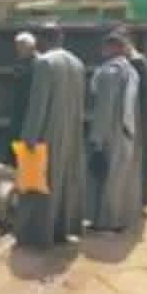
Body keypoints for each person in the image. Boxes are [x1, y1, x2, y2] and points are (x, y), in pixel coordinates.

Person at [17, 25, 87, 247]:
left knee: (37, 185)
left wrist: (29, 138)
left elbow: (38, 105)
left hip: (47, 132)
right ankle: (63, 231)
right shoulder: (78, 63)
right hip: (72, 132)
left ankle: (37, 236)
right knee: (66, 181)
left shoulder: (45, 63)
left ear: (40, 41)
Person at [87, 33, 143, 232]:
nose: (102, 51)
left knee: (106, 177)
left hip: (110, 131)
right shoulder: (131, 71)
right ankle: (120, 219)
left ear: (113, 48)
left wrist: (97, 139)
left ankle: (106, 222)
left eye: (105, 47)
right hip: (127, 129)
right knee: (121, 177)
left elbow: (104, 107)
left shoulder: (110, 72)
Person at [115, 26, 147, 208]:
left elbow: (142, 95)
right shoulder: (132, 61)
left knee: (137, 160)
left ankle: (139, 200)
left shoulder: (137, 62)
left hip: (138, 118)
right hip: (134, 116)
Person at [8, 32, 38, 162]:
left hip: (31, 113)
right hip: (19, 113)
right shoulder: (21, 63)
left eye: (20, 47)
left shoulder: (39, 64)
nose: (18, 50)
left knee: (29, 157)